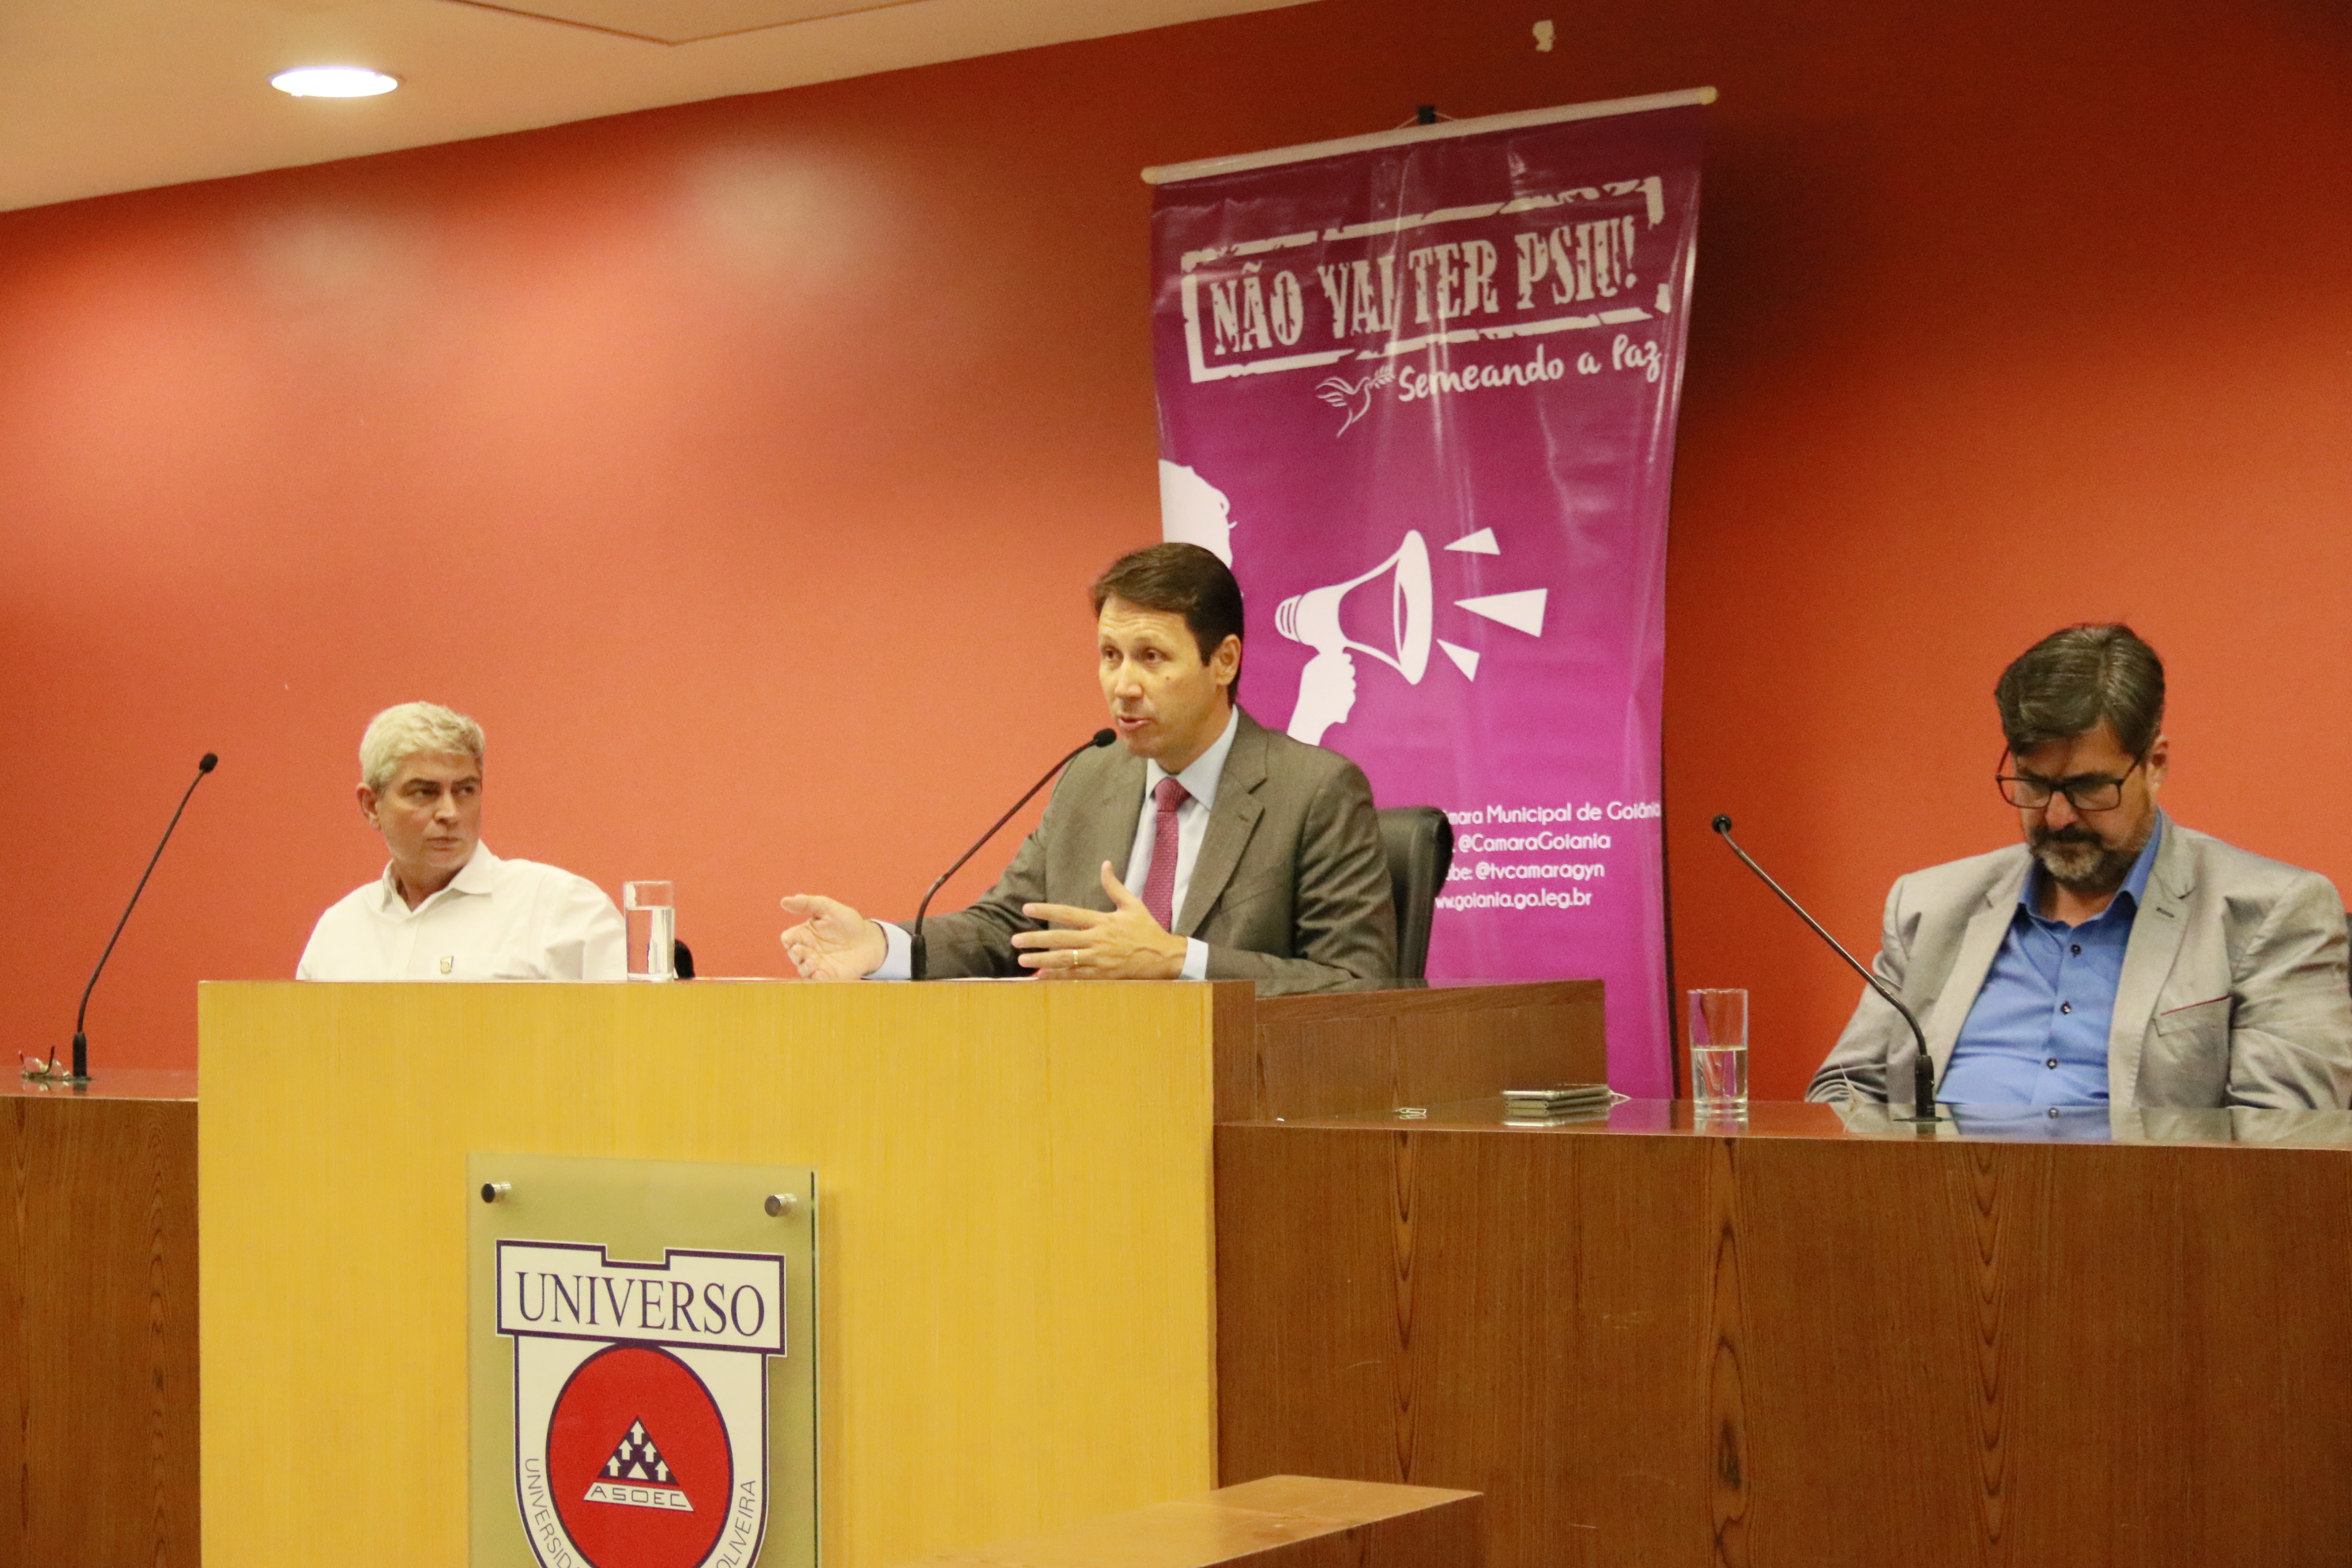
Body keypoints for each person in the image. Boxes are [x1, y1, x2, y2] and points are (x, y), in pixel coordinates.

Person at [779, 542, 1397, 991]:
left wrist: (1178, 960)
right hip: (1089, 1084)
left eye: (1151, 656)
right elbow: (1009, 928)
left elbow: (1359, 983)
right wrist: (881, 946)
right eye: (1110, 655)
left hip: (1239, 1095)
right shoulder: (1091, 778)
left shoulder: (1314, 791)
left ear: (1224, 661)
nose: (1123, 685)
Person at [1809, 624, 2352, 1110]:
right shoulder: (1928, 907)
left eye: (2089, 787)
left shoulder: (2269, 914)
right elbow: (1843, 1093)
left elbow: (2280, 1138)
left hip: (2146, 1194)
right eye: (2034, 784)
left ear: (2155, 765)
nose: (2058, 817)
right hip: (1934, 1190)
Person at [298, 702, 625, 981]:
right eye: (424, 792)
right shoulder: (339, 931)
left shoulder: (561, 909)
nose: (450, 813)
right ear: (371, 806)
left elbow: (634, 1027)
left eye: (465, 790)